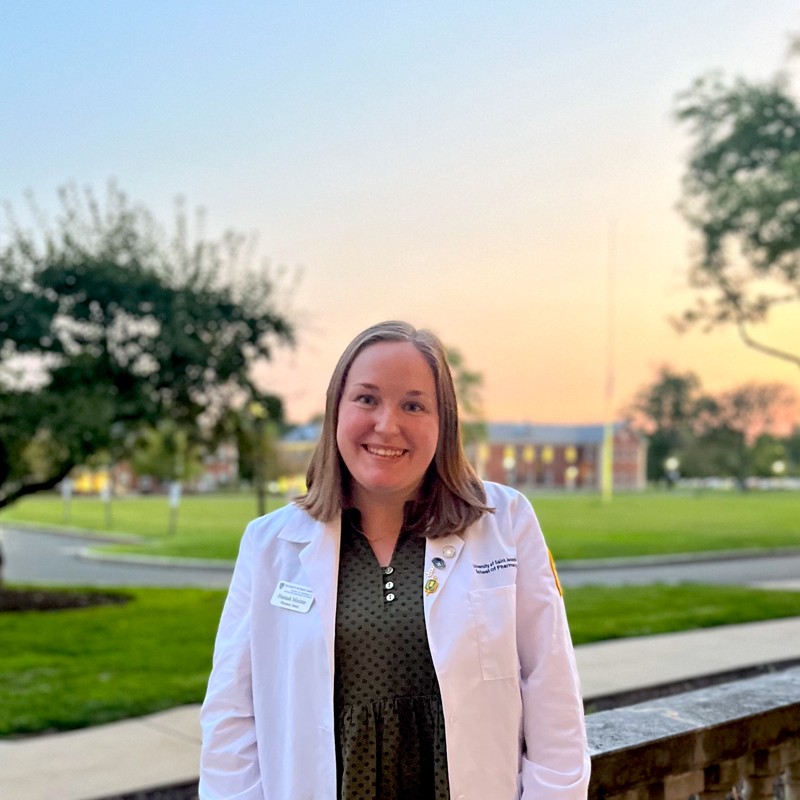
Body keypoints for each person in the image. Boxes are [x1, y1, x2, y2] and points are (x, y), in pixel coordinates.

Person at [199, 320, 590, 800]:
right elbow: (232, 716)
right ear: (336, 411)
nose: (387, 425)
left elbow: (551, 688)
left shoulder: (505, 523)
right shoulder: (269, 545)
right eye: (367, 399)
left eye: (414, 405)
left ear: (443, 423)